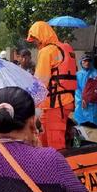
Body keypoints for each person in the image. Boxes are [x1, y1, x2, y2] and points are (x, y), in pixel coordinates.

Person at [26, 21, 77, 150]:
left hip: (54, 104)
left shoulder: (46, 51)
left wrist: (29, 102)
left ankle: (57, 168)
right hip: (66, 101)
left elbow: (40, 82)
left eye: (36, 39)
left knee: (55, 144)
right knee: (45, 139)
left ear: (42, 36)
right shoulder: (67, 48)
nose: (36, 43)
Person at [74, 55, 97, 128]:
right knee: (81, 123)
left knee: (94, 122)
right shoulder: (78, 74)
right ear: (81, 62)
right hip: (81, 100)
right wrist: (82, 99)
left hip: (93, 102)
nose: (87, 63)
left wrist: (88, 98)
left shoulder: (96, 74)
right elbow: (77, 89)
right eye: (85, 61)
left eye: (89, 61)